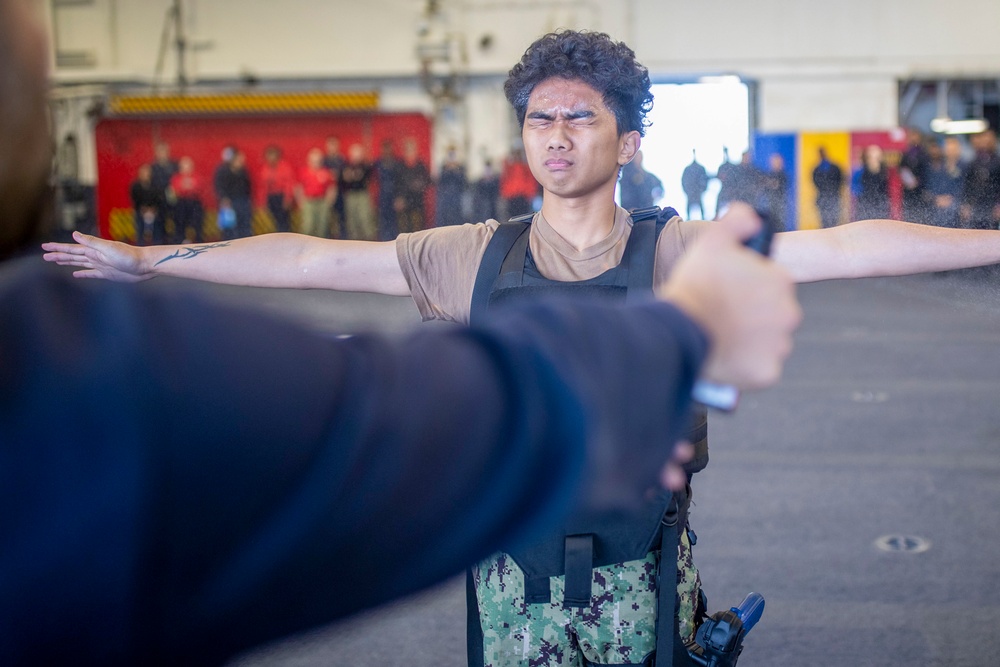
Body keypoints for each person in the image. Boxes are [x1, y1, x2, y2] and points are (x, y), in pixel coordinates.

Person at [42, 27, 1000, 667]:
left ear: (627, 141)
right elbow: (307, 259)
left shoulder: (669, 249)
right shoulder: (469, 256)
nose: (554, 132)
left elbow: (844, 248)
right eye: (539, 117)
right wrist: (152, 260)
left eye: (579, 115)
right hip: (510, 592)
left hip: (644, 578)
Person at [960, 129, 1000, 231]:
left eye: (988, 139)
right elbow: (967, 185)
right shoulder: (973, 162)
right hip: (976, 204)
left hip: (992, 205)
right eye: (983, 139)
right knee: (974, 233)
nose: (985, 142)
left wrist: (998, 205)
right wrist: (966, 204)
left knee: (991, 234)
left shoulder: (997, 161)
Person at [296, 147, 336, 238]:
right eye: (313, 161)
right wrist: (300, 201)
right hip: (308, 201)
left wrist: (329, 201)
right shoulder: (303, 172)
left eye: (317, 161)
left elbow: (332, 187)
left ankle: (321, 248)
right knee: (308, 225)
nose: (315, 163)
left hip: (322, 201)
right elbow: (298, 187)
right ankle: (306, 246)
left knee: (322, 226)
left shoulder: (325, 172)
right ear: (308, 161)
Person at [339, 143, 376, 240]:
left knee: (365, 218)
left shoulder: (365, 165)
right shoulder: (345, 166)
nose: (356, 155)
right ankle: (354, 241)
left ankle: (369, 240)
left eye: (358, 153)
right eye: (354, 153)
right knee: (352, 219)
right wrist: (346, 178)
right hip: (350, 194)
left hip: (362, 194)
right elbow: (341, 181)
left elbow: (370, 176)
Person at [927, 136, 965, 228]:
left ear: (958, 149)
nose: (950, 151)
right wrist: (937, 198)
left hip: (956, 204)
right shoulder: (938, 167)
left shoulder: (965, 166)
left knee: (953, 211)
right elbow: (932, 185)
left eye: (953, 148)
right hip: (939, 204)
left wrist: (953, 197)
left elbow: (965, 186)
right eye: (948, 148)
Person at [396, 137, 431, 233]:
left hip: (417, 200)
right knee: (403, 228)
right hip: (404, 200)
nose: (410, 152)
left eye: (412, 149)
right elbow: (396, 183)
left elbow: (428, 181)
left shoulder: (420, 165)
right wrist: (398, 197)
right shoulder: (400, 166)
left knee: (417, 228)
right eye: (407, 149)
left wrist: (420, 185)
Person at [167, 156, 205, 243]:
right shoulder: (176, 178)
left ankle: (199, 242)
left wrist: (186, 188)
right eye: (184, 166)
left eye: (188, 166)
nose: (186, 168)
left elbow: (199, 189)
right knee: (179, 223)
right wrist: (186, 188)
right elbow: (174, 191)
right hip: (181, 204)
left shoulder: (197, 177)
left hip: (194, 204)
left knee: (197, 223)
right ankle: (179, 241)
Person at [258, 145, 295, 233]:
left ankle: (285, 239)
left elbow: (289, 184)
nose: (270, 158)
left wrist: (287, 199)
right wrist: (263, 202)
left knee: (284, 221)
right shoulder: (265, 169)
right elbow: (263, 187)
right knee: (275, 221)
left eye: (272, 155)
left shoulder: (285, 167)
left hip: (281, 196)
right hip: (271, 197)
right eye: (268, 155)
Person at [129, 164, 165, 246]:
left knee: (159, 223)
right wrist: (143, 209)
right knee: (139, 225)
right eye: (143, 172)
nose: (145, 174)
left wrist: (153, 209)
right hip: (140, 211)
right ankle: (140, 245)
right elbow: (135, 199)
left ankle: (157, 245)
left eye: (147, 172)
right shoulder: (135, 186)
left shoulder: (156, 185)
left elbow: (159, 198)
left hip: (155, 210)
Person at [373, 139, 402, 240]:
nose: (386, 151)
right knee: (383, 219)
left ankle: (394, 240)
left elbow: (400, 181)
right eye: (384, 149)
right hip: (383, 194)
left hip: (393, 193)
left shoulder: (397, 163)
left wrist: (399, 197)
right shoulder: (377, 163)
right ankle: (384, 240)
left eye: (388, 148)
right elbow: (372, 179)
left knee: (394, 220)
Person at [853, 145, 890, 221]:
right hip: (865, 202)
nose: (874, 159)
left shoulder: (884, 171)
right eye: (872, 156)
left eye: (876, 156)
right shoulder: (862, 170)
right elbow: (856, 185)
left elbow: (886, 188)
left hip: (880, 203)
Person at [434, 146, 468, 227]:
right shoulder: (444, 166)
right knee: (444, 219)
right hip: (445, 197)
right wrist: (448, 169)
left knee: (457, 219)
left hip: (457, 197)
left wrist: (456, 169)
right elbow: (439, 181)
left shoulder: (461, 167)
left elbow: (464, 182)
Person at [812, 147, 844, 228]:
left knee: (833, 220)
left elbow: (841, 180)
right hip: (825, 197)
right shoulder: (817, 169)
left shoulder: (833, 168)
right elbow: (815, 182)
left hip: (832, 196)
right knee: (825, 221)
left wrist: (833, 190)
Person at [761, 152, 788, 232]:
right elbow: (766, 186)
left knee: (780, 221)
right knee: (771, 220)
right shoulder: (769, 174)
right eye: (773, 161)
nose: (775, 163)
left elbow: (778, 185)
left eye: (777, 161)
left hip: (780, 202)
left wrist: (771, 183)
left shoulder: (783, 174)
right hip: (770, 201)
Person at [681, 150, 709, 221]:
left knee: (701, 211)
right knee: (689, 211)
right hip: (692, 192)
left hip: (697, 192)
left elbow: (705, 179)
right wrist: (687, 191)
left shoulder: (700, 168)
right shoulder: (688, 169)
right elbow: (684, 181)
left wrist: (702, 190)